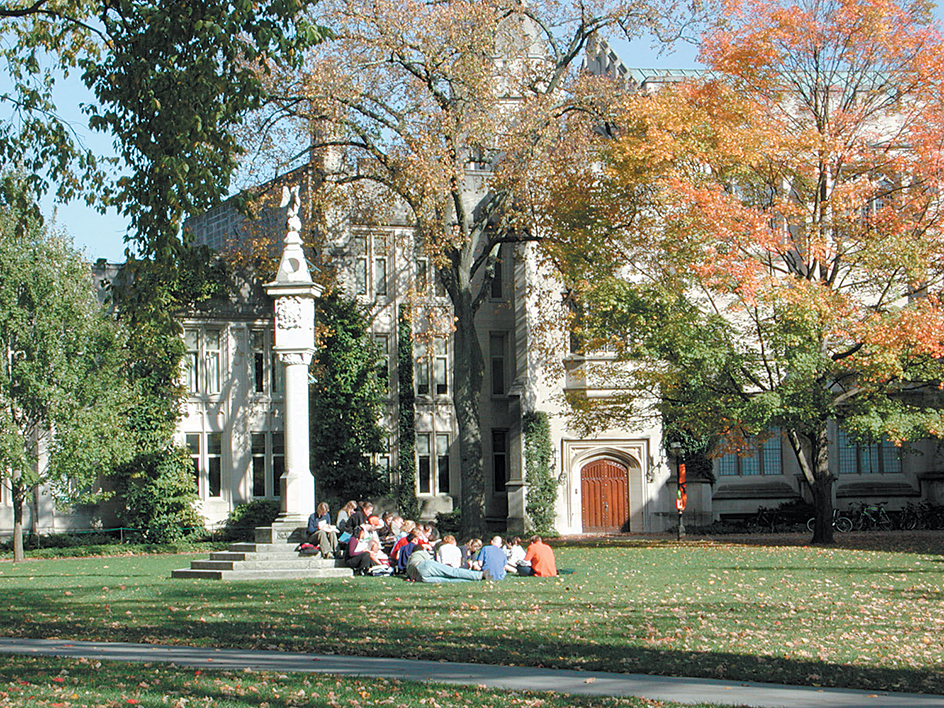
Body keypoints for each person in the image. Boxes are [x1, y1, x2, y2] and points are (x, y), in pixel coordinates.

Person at [406, 547, 483, 583]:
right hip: (424, 565)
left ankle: (470, 581)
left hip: (418, 576)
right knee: (453, 572)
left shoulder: (409, 561)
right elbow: (429, 560)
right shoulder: (419, 553)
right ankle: (479, 575)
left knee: (448, 580)